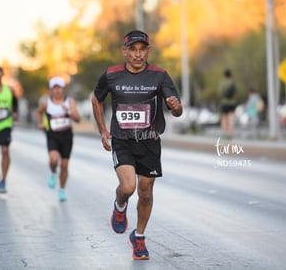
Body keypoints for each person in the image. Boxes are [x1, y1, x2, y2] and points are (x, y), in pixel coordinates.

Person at [91, 29, 183, 260]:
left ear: (148, 51)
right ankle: (120, 205)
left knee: (145, 193)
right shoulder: (111, 75)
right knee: (129, 187)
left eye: (142, 50)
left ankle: (139, 237)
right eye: (133, 50)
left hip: (149, 142)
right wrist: (103, 131)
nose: (138, 55)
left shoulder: (160, 75)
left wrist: (175, 107)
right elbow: (96, 99)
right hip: (122, 140)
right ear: (125, 51)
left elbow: (178, 109)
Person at [35, 76, 81, 202]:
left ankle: (61, 189)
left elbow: (78, 119)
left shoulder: (69, 101)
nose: (57, 91)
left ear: (63, 89)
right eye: (54, 88)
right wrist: (39, 123)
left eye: (59, 88)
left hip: (67, 137)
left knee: (65, 165)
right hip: (53, 136)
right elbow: (38, 113)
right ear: (51, 90)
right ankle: (53, 172)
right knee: (54, 159)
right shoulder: (46, 102)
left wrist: (70, 112)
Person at [218, 69, 237, 139]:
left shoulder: (223, 83)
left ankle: (224, 133)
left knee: (224, 118)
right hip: (232, 103)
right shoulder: (233, 83)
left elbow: (220, 92)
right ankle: (231, 133)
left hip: (224, 103)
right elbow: (235, 93)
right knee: (231, 118)